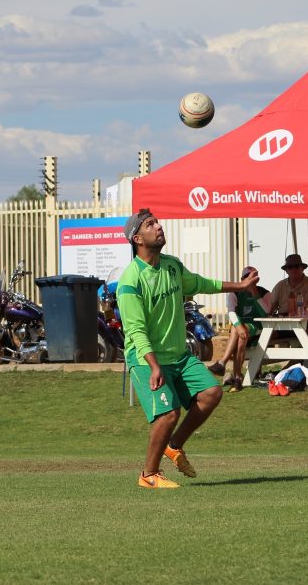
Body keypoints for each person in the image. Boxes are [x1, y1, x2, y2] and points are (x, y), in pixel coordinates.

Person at [117, 209, 261, 489]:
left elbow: (202, 283)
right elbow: (135, 330)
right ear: (137, 238)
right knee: (168, 414)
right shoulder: (130, 281)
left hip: (179, 356)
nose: (158, 226)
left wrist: (240, 286)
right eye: (150, 224)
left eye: (157, 222)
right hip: (147, 359)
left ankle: (175, 445)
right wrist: (155, 366)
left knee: (211, 392)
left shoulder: (172, 266)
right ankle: (148, 475)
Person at [207, 266, 271, 392]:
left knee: (239, 330)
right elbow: (231, 312)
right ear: (242, 279)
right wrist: (239, 326)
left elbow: (266, 312)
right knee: (240, 333)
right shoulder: (234, 292)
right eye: (247, 277)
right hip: (241, 329)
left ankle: (223, 363)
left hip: (259, 329)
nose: (250, 280)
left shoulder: (264, 292)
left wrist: (255, 294)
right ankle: (237, 377)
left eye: (252, 277)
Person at [269, 253, 308, 342]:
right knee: (265, 337)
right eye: (290, 267)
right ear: (286, 270)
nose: (293, 269)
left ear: (302, 268)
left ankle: (307, 356)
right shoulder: (280, 285)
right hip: (284, 324)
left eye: (296, 266)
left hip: (306, 323)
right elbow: (270, 307)